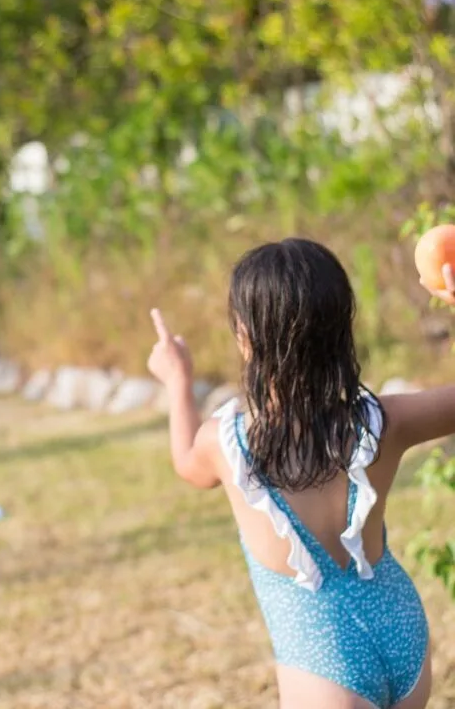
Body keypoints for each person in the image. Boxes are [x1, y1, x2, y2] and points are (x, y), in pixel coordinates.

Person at [147, 239, 455, 709]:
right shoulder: (385, 422)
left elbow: (188, 464)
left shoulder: (225, 443)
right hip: (404, 635)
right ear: (341, 329)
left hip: (323, 659)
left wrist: (178, 380)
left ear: (245, 335)